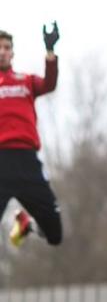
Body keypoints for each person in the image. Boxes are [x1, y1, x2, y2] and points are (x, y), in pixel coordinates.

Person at [0, 24, 62, 247]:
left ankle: (28, 225)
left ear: (12, 52)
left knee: (55, 234)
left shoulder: (25, 81)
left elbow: (49, 83)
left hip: (27, 163)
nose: (2, 52)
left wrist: (50, 51)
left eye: (6, 47)